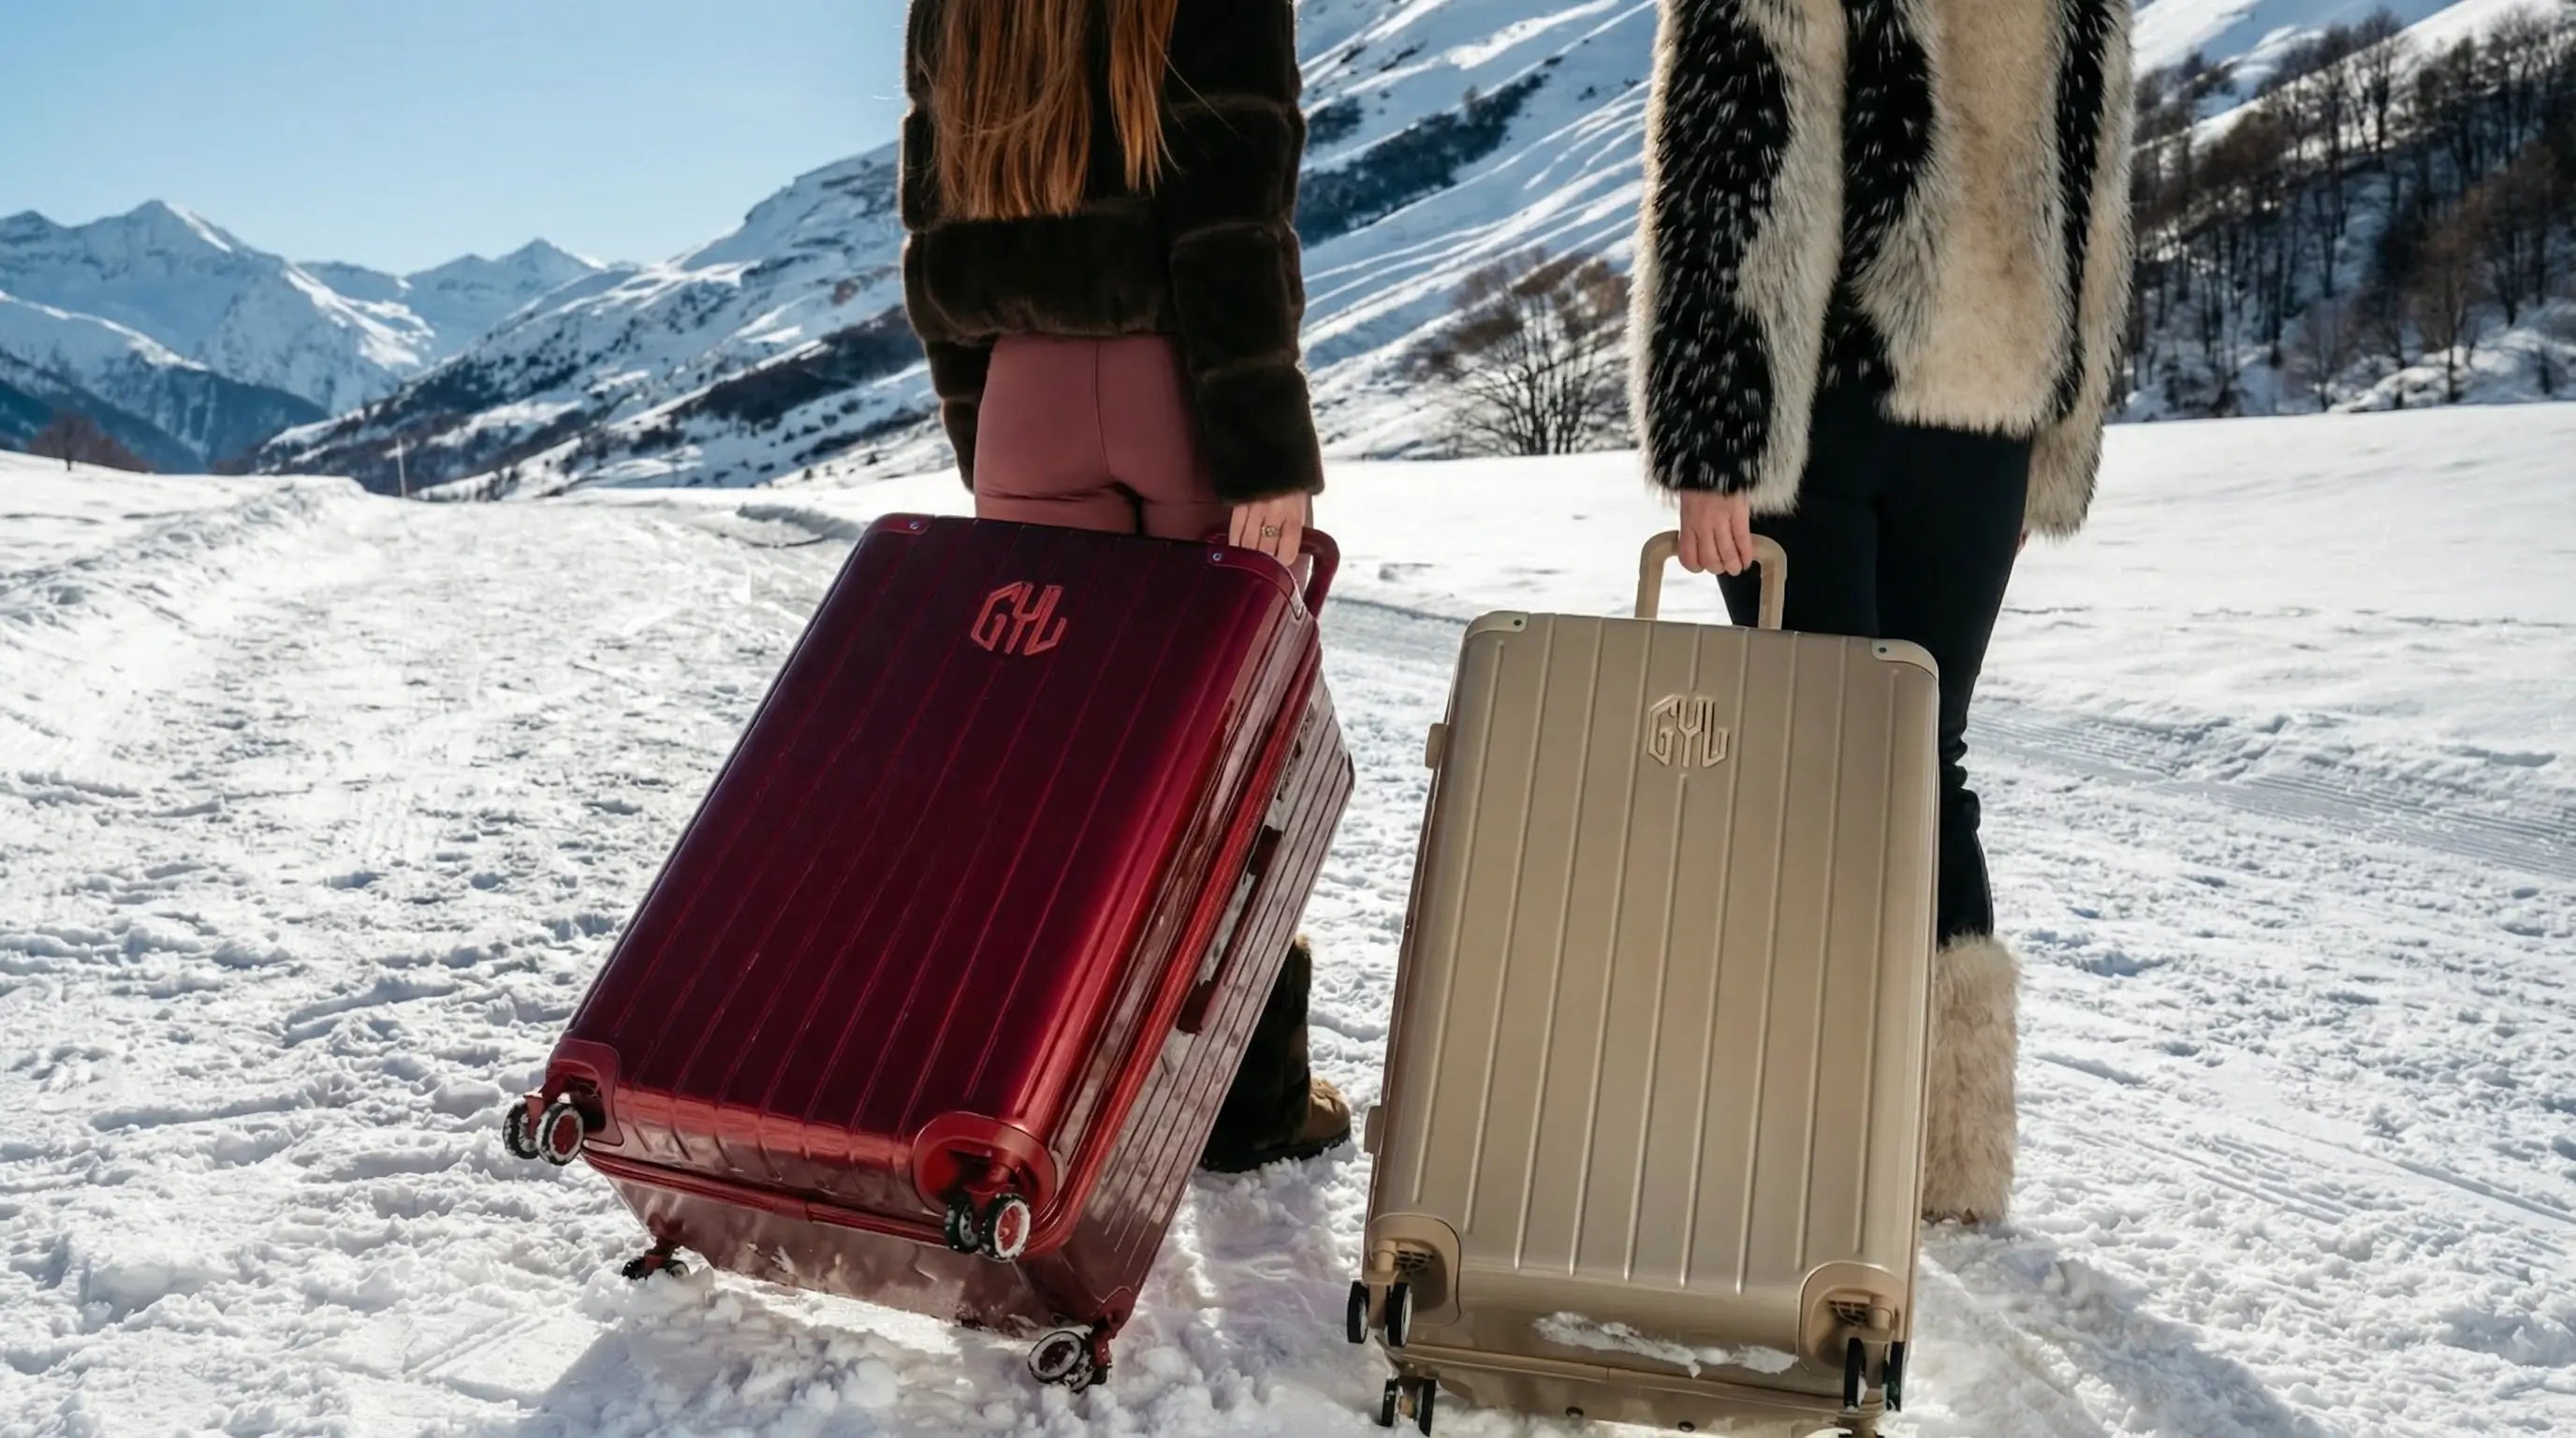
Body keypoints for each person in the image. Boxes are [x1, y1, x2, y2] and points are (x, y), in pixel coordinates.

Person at [1631, 0, 2136, 1223]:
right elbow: (2093, 186)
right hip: (1957, 413)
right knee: (1905, 761)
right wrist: (2051, 435)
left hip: (1843, 408)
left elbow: (1726, 155)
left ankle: (1821, 1135)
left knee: (1833, 764)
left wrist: (1714, 443)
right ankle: (1925, 1150)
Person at [898, 0, 1346, 1171]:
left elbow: (934, 227)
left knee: (1063, 774)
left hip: (1021, 397)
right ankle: (1248, 1105)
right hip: (1181, 391)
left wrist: (979, 429)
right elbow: (1233, 219)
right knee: (1236, 755)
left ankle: (1062, 1091)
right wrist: (1265, 452)